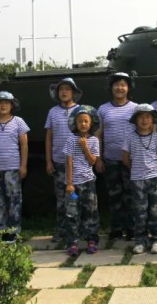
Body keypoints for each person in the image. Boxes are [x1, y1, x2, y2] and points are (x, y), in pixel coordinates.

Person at [0, 91, 29, 243]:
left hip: (12, 167)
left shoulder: (19, 122)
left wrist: (23, 166)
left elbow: (24, 145)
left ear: (12, 105)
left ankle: (14, 230)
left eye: (6, 103)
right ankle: (2, 229)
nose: (3, 105)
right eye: (0, 103)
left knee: (14, 199)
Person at [96, 72, 138, 240]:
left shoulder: (135, 108)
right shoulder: (103, 109)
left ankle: (132, 228)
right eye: (116, 85)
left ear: (128, 88)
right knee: (114, 195)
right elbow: (98, 135)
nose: (120, 88)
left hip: (131, 160)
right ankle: (116, 228)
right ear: (111, 88)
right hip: (110, 159)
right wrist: (98, 158)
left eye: (123, 85)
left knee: (131, 194)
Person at [122, 104, 157, 254]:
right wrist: (136, 169)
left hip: (155, 178)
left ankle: (156, 239)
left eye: (148, 117)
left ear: (152, 120)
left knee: (156, 210)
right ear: (135, 120)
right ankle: (140, 240)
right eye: (141, 117)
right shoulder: (130, 137)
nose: (144, 120)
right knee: (139, 211)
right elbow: (125, 158)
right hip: (137, 179)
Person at [45, 77, 82, 244]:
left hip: (78, 162)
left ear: (73, 92)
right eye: (61, 89)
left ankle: (78, 230)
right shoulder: (53, 112)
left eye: (67, 89)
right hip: (59, 161)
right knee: (61, 199)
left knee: (77, 198)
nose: (64, 92)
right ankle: (61, 230)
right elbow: (49, 136)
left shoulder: (80, 110)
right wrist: (48, 161)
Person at [64, 105, 101, 256]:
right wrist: (69, 183)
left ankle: (91, 240)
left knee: (91, 212)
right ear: (75, 123)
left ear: (91, 123)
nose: (83, 124)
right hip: (74, 183)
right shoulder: (70, 139)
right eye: (80, 121)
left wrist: (85, 147)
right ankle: (72, 242)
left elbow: (93, 161)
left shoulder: (94, 140)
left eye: (86, 121)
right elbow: (69, 162)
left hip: (89, 182)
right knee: (72, 214)